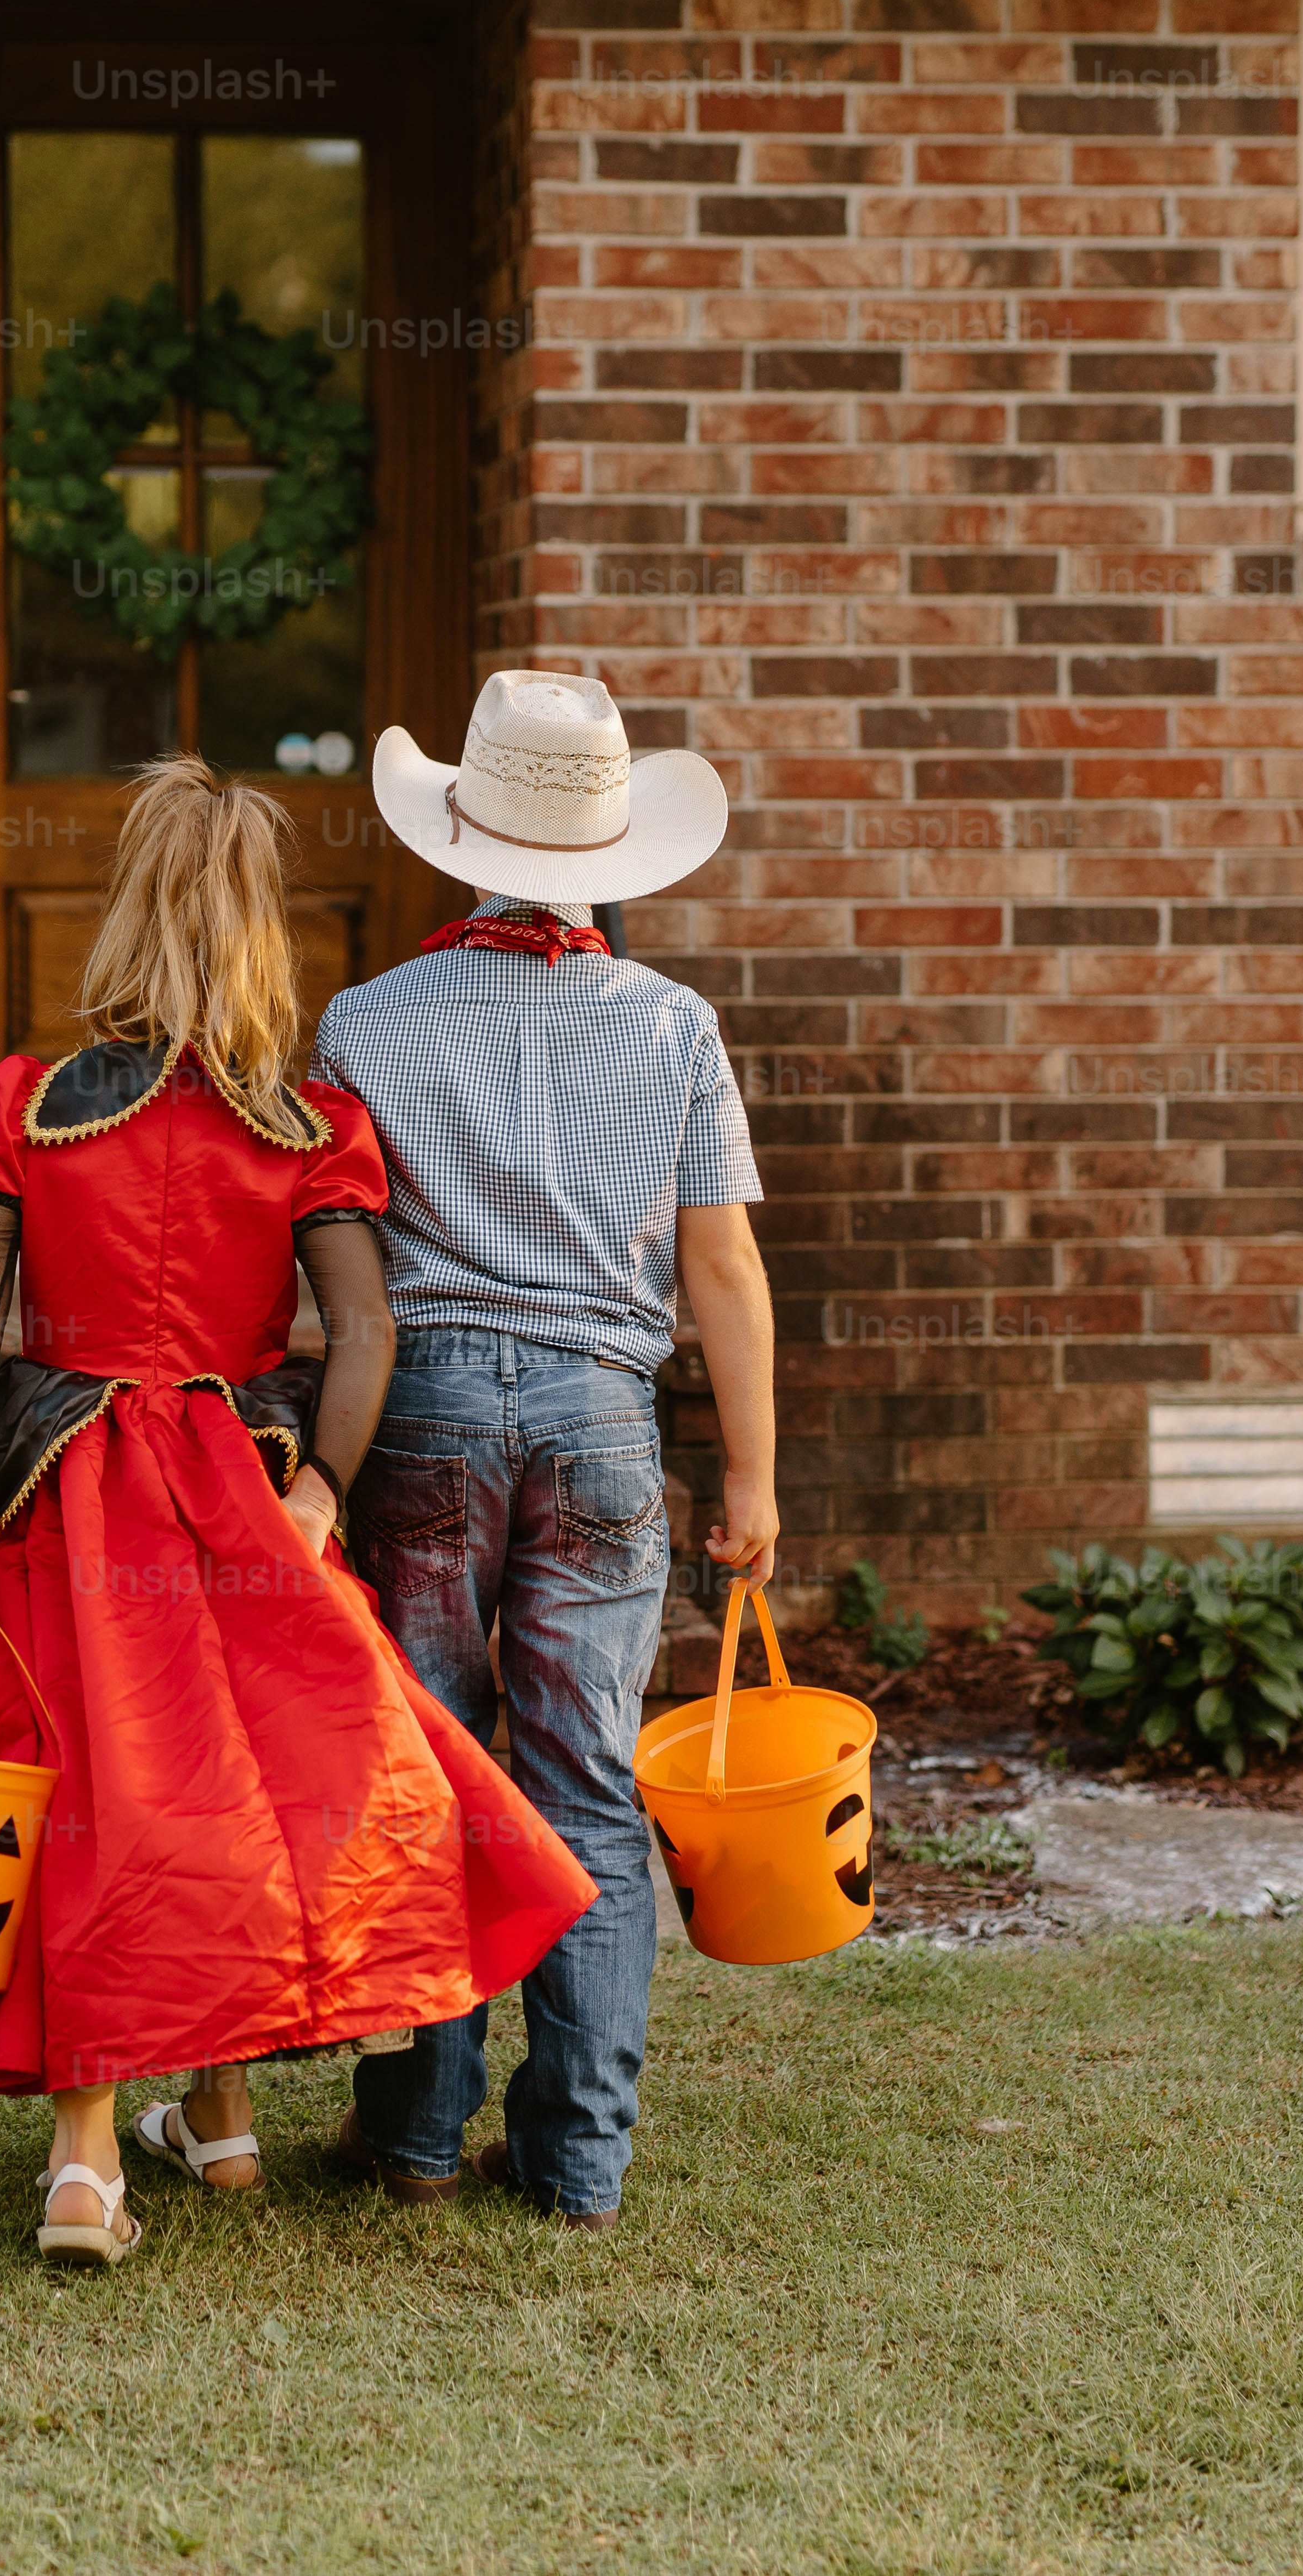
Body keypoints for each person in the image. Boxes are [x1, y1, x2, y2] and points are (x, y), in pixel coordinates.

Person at [0, 756, 594, 2263]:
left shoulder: (22, 1106)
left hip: (68, 1485)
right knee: (243, 1790)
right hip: (234, 1495)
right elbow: (368, 1331)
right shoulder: (306, 1126)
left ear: (123, 907)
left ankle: (89, 2163)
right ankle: (218, 2117)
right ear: (263, 929)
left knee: (93, 1794)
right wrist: (323, 1488)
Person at [312, 669, 778, 2232]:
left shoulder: (367, 1020)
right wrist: (757, 1478)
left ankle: (417, 2134)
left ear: (465, 834)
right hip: (598, 1419)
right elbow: (722, 1268)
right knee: (585, 1783)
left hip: (424, 1412)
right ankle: (579, 2158)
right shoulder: (673, 1026)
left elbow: (340, 1266)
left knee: (434, 1767)